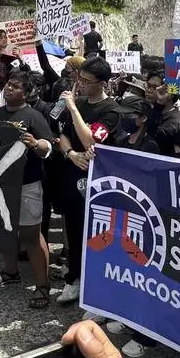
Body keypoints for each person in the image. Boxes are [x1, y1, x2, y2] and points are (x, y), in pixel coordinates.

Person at [54, 56, 121, 305]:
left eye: (86, 80)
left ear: (102, 83)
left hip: (99, 184)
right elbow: (61, 135)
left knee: (97, 235)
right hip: (73, 176)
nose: (80, 84)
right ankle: (73, 279)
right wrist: (71, 154)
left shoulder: (111, 111)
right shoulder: (77, 100)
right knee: (73, 230)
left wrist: (73, 109)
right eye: (79, 78)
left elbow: (92, 141)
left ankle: (98, 287)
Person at [0, 70, 56, 310]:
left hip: (27, 184)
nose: (9, 89)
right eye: (8, 85)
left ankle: (42, 286)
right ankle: (10, 271)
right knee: (5, 230)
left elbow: (48, 146)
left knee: (31, 237)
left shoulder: (33, 116)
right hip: (0, 184)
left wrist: (36, 144)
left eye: (16, 87)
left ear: (27, 93)